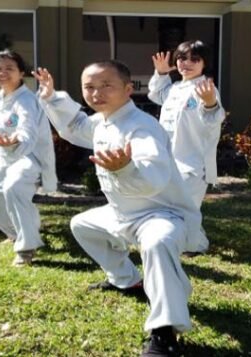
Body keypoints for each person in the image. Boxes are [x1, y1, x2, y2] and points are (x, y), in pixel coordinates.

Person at [34, 61, 202, 357]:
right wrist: (51, 97)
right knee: (82, 225)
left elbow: (154, 179)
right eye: (89, 87)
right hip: (123, 213)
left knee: (158, 243)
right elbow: (76, 126)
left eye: (105, 85)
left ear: (127, 89)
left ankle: (165, 332)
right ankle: (128, 279)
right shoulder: (104, 121)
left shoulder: (142, 127)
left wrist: (126, 168)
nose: (96, 93)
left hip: (161, 214)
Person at [0, 50, 57, 267]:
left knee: (13, 188)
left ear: (21, 73)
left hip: (27, 155)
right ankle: (17, 232)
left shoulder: (26, 100)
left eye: (9, 68)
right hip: (5, 157)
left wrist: (17, 140)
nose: (3, 72)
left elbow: (27, 127)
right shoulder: (2, 96)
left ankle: (26, 248)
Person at [147, 40, 225, 255]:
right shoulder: (175, 88)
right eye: (182, 58)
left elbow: (213, 119)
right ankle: (188, 241)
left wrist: (210, 103)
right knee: (177, 206)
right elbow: (156, 94)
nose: (186, 63)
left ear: (204, 64)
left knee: (186, 208)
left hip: (194, 162)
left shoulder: (206, 88)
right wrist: (161, 73)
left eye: (194, 59)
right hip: (169, 159)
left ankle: (197, 245)